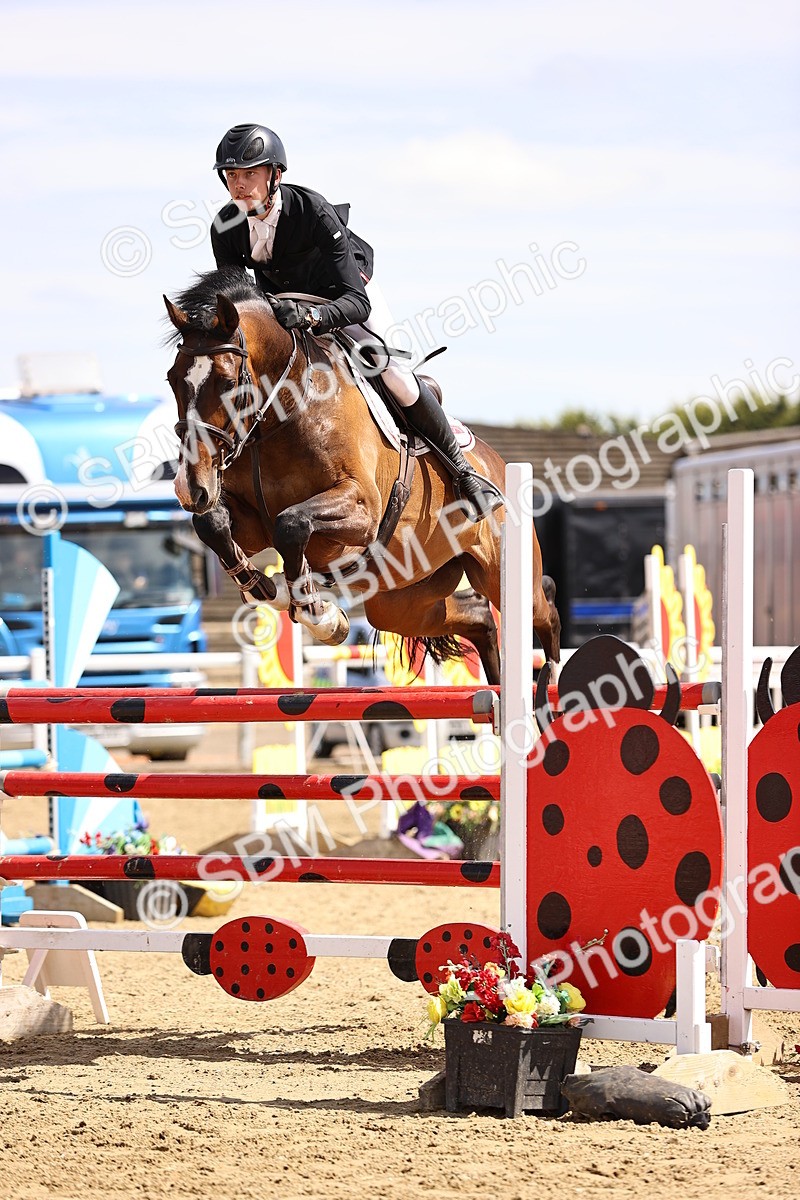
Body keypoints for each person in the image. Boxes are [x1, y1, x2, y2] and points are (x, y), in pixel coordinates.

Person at [210, 123, 503, 522]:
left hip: (345, 294)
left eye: (249, 174)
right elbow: (241, 304)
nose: (239, 185)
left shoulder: (312, 211)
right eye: (231, 176)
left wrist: (314, 316)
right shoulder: (224, 226)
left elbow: (357, 302)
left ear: (275, 175)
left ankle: (464, 472)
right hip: (283, 308)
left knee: (394, 375)